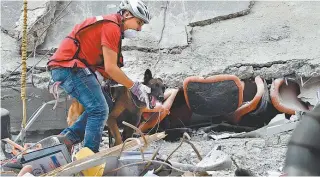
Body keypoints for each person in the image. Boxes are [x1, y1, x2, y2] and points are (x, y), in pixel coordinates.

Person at [46, 0, 152, 153]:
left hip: (73, 68)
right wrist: (135, 87)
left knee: (106, 104)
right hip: (69, 68)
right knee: (99, 110)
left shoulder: (112, 27)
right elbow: (111, 67)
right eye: (139, 22)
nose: (140, 29)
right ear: (127, 14)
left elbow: (109, 69)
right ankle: (90, 157)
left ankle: (65, 140)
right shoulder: (111, 28)